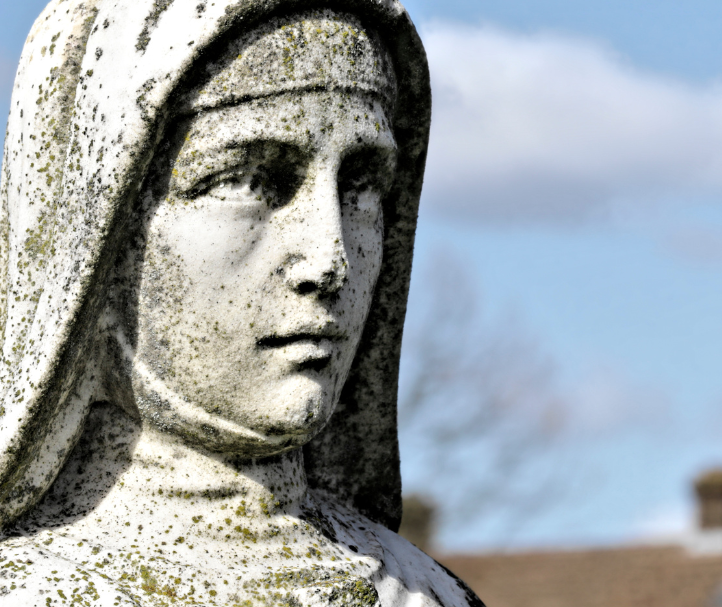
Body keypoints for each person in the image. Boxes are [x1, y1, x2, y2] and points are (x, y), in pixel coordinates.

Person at [0, 1, 482, 605]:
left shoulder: (430, 594)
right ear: (100, 230)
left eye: (361, 185)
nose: (330, 258)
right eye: (250, 180)